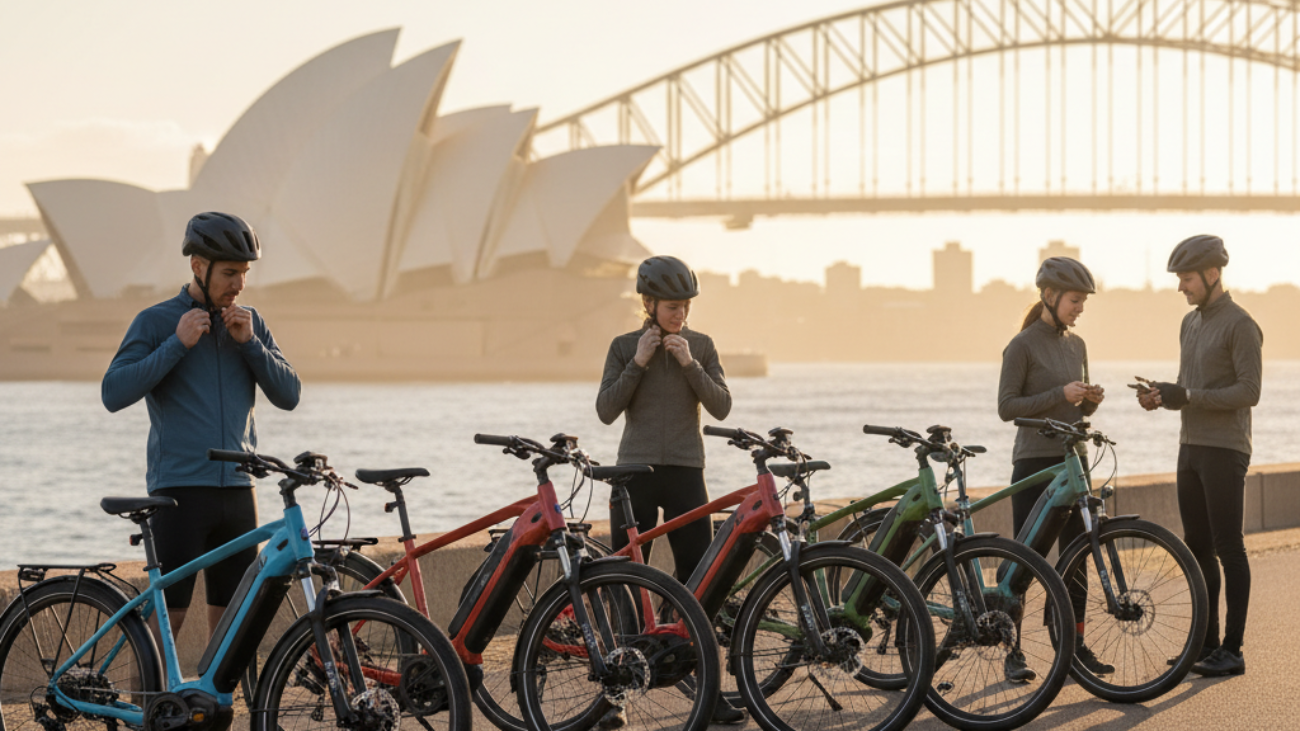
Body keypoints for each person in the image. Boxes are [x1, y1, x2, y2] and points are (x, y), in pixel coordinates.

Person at [102, 211, 301, 641]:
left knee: (232, 628)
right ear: (197, 266)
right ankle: (150, 708)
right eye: (230, 272)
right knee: (167, 622)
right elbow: (113, 393)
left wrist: (251, 347)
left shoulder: (250, 324)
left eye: (244, 273)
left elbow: (289, 395)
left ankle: (220, 710)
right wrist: (177, 344)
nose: (239, 284)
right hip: (180, 493)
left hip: (239, 492)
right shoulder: (156, 322)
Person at [595, 255, 740, 725]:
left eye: (686, 307)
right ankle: (611, 699)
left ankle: (708, 694)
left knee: (701, 584)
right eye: (672, 306)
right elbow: (605, 410)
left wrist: (690, 364)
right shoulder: (623, 346)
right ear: (649, 303)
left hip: (684, 472)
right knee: (623, 583)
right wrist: (638, 362)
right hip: (632, 475)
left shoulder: (701, 345)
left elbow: (721, 407)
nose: (680, 315)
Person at [1137, 235, 1261, 677]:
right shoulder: (1190, 323)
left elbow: (1249, 391)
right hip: (1189, 448)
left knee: (1229, 547)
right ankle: (1205, 645)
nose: (1180, 287)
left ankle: (1233, 648)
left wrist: (1187, 394)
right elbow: (1190, 386)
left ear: (1212, 275)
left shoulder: (1241, 324)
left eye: (1186, 278)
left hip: (1226, 449)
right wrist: (1163, 396)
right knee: (1197, 548)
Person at [997, 256, 1112, 681]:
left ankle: (1073, 647)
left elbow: (1074, 404)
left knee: (1077, 557)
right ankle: (1014, 653)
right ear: (1049, 296)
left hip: (1074, 459)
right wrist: (1057, 392)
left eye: (1083, 302)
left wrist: (1089, 400)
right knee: (1026, 561)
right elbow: (1007, 407)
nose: (1080, 308)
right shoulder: (1022, 345)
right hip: (1034, 464)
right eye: (1075, 301)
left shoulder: (1076, 345)